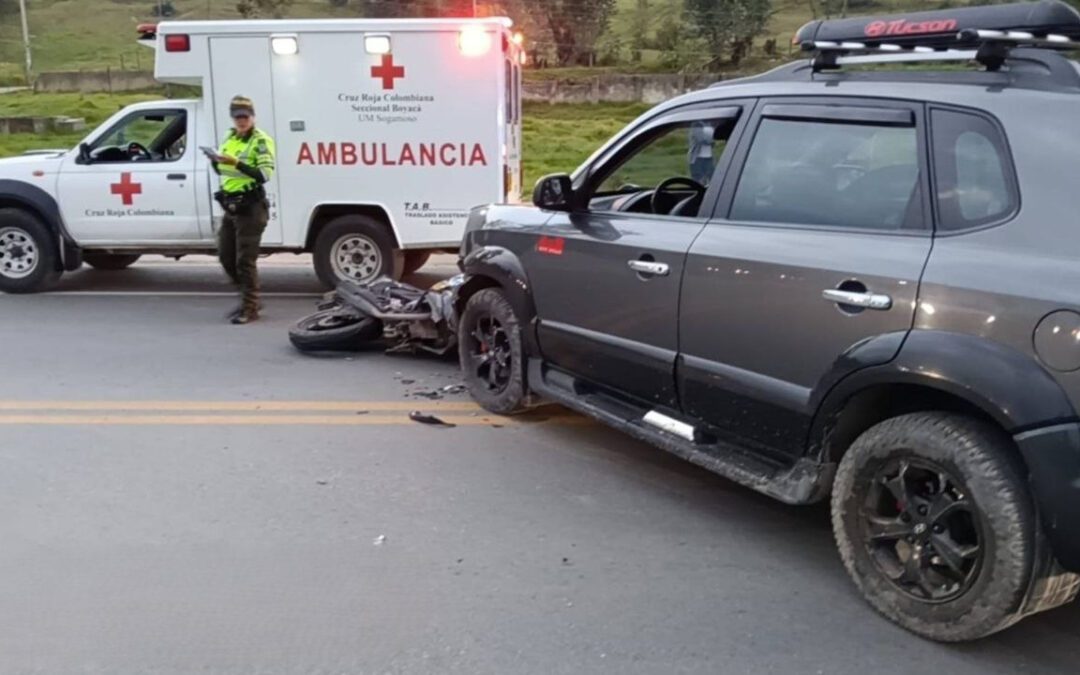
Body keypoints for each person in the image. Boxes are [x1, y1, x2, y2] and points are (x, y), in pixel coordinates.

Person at [212, 95, 276, 325]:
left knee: (244, 261)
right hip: (231, 207)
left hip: (250, 208)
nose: (242, 121)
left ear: (252, 117)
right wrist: (215, 160)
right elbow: (222, 171)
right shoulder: (230, 137)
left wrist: (236, 163)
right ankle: (248, 298)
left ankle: (250, 308)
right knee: (225, 255)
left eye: (245, 116)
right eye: (237, 116)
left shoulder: (260, 141)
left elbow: (264, 175)